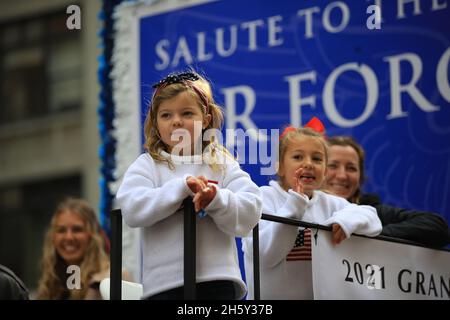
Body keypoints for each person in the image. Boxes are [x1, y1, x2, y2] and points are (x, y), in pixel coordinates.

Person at [116, 70, 262, 300]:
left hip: (219, 281)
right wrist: (181, 188)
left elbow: (251, 208)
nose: (176, 121)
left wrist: (215, 198)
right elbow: (131, 209)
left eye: (186, 113)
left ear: (205, 119)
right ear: (155, 122)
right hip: (164, 287)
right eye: (165, 115)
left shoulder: (221, 163)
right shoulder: (147, 164)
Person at [242, 127, 382, 300]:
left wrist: (345, 221)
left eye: (317, 159)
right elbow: (267, 256)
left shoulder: (331, 203)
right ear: (279, 167)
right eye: (298, 157)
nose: (308, 163)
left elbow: (371, 217)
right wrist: (295, 205)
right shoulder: (262, 198)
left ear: (324, 171)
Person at [323, 135, 450, 247]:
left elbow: (437, 226)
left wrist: (371, 232)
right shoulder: (304, 208)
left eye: (351, 168)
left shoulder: (372, 211)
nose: (342, 176)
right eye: (332, 166)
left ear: (360, 176)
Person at [36, 198, 110, 300]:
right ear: (52, 237)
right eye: (61, 230)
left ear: (93, 235)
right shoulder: (50, 284)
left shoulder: (111, 280)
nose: (69, 237)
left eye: (77, 229)